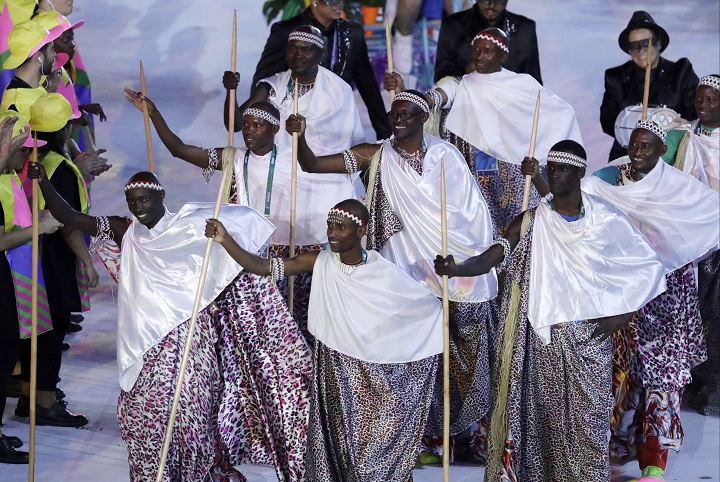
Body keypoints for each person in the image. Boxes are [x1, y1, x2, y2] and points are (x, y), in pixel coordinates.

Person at [29, 164, 312, 480]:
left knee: (190, 413)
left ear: (160, 196)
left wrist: (222, 237)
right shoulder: (125, 229)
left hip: (189, 337)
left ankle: (193, 473)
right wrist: (43, 184)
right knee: (140, 412)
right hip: (145, 338)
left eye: (145, 200)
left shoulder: (189, 228)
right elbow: (69, 216)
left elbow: (241, 227)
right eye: (133, 201)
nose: (139, 207)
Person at [287, 89, 498, 463]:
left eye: (406, 115)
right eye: (393, 114)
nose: (398, 120)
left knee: (461, 356)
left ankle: (464, 435)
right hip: (403, 272)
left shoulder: (446, 156)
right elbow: (313, 165)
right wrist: (299, 137)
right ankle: (415, 439)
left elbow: (471, 214)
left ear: (422, 118)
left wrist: (461, 259)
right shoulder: (377, 154)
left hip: (450, 267)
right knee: (411, 357)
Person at [436, 140, 667, 481]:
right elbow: (491, 257)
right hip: (543, 341)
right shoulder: (531, 221)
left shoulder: (604, 219)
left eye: (562, 169)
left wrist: (624, 313)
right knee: (545, 427)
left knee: (586, 425)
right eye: (551, 168)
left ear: (580, 173)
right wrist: (456, 269)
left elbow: (648, 266)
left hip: (589, 340)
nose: (553, 175)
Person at [206, 199, 443, 481]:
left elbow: (418, 306)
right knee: (341, 446)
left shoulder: (383, 271)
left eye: (340, 227)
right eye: (330, 225)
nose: (332, 232)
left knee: (370, 450)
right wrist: (225, 240)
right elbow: (264, 267)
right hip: (336, 369)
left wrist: (438, 311)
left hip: (372, 374)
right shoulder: (319, 260)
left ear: (361, 230)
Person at [124, 90, 355, 337]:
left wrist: (302, 137)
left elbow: (322, 176)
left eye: (258, 125)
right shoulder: (232, 157)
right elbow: (179, 149)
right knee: (255, 326)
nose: (249, 130)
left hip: (289, 250)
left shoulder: (292, 159)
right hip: (246, 249)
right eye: (245, 125)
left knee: (294, 321)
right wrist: (154, 114)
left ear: (274, 130)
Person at [582, 120, 720, 481]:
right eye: (634, 145)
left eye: (647, 146)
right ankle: (611, 445)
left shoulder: (677, 186)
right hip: (623, 292)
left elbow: (708, 216)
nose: (638, 152)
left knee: (663, 378)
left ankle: (654, 463)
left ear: (663, 150)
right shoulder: (609, 179)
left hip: (668, 294)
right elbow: (579, 200)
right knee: (619, 374)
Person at [387, 28, 580, 236]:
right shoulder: (460, 84)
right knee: (479, 232)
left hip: (515, 179)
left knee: (519, 236)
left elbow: (559, 111)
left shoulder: (523, 85)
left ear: (503, 55)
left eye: (487, 51)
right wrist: (404, 92)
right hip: (477, 176)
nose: (479, 56)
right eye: (476, 50)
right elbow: (432, 99)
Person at [0, 112, 61, 463]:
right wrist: (40, 228)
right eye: (23, 149)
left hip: (13, 282)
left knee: (8, 351)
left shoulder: (9, 176)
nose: (29, 155)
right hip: (5, 279)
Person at [250, 0, 391, 140]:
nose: (339, 4)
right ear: (314, 1)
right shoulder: (286, 31)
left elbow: (368, 88)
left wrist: (386, 136)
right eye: (332, 0)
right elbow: (263, 82)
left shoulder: (353, 32)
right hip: (294, 129)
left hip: (337, 129)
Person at [662, 74, 720, 416]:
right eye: (700, 99)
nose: (704, 105)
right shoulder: (682, 136)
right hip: (689, 239)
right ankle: (693, 381)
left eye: (712, 99)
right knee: (692, 312)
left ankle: (714, 385)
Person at [224, 25, 365, 158]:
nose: (298, 55)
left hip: (324, 175)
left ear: (321, 55)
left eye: (306, 50)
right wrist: (231, 91)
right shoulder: (273, 86)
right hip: (278, 170)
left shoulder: (339, 90)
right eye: (292, 49)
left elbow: (350, 140)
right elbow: (235, 125)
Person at [600, 11, 699, 161]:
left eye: (647, 43)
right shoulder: (617, 77)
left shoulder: (680, 72)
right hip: (627, 157)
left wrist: (682, 126)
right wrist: (633, 125)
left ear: (658, 43)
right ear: (629, 50)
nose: (641, 51)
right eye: (635, 46)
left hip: (671, 157)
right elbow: (607, 121)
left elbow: (697, 115)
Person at [435, 0, 541, 83]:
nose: (490, 4)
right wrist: (466, 70)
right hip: (466, 103)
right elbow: (440, 78)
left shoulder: (525, 29)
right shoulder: (452, 26)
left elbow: (535, 84)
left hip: (511, 105)